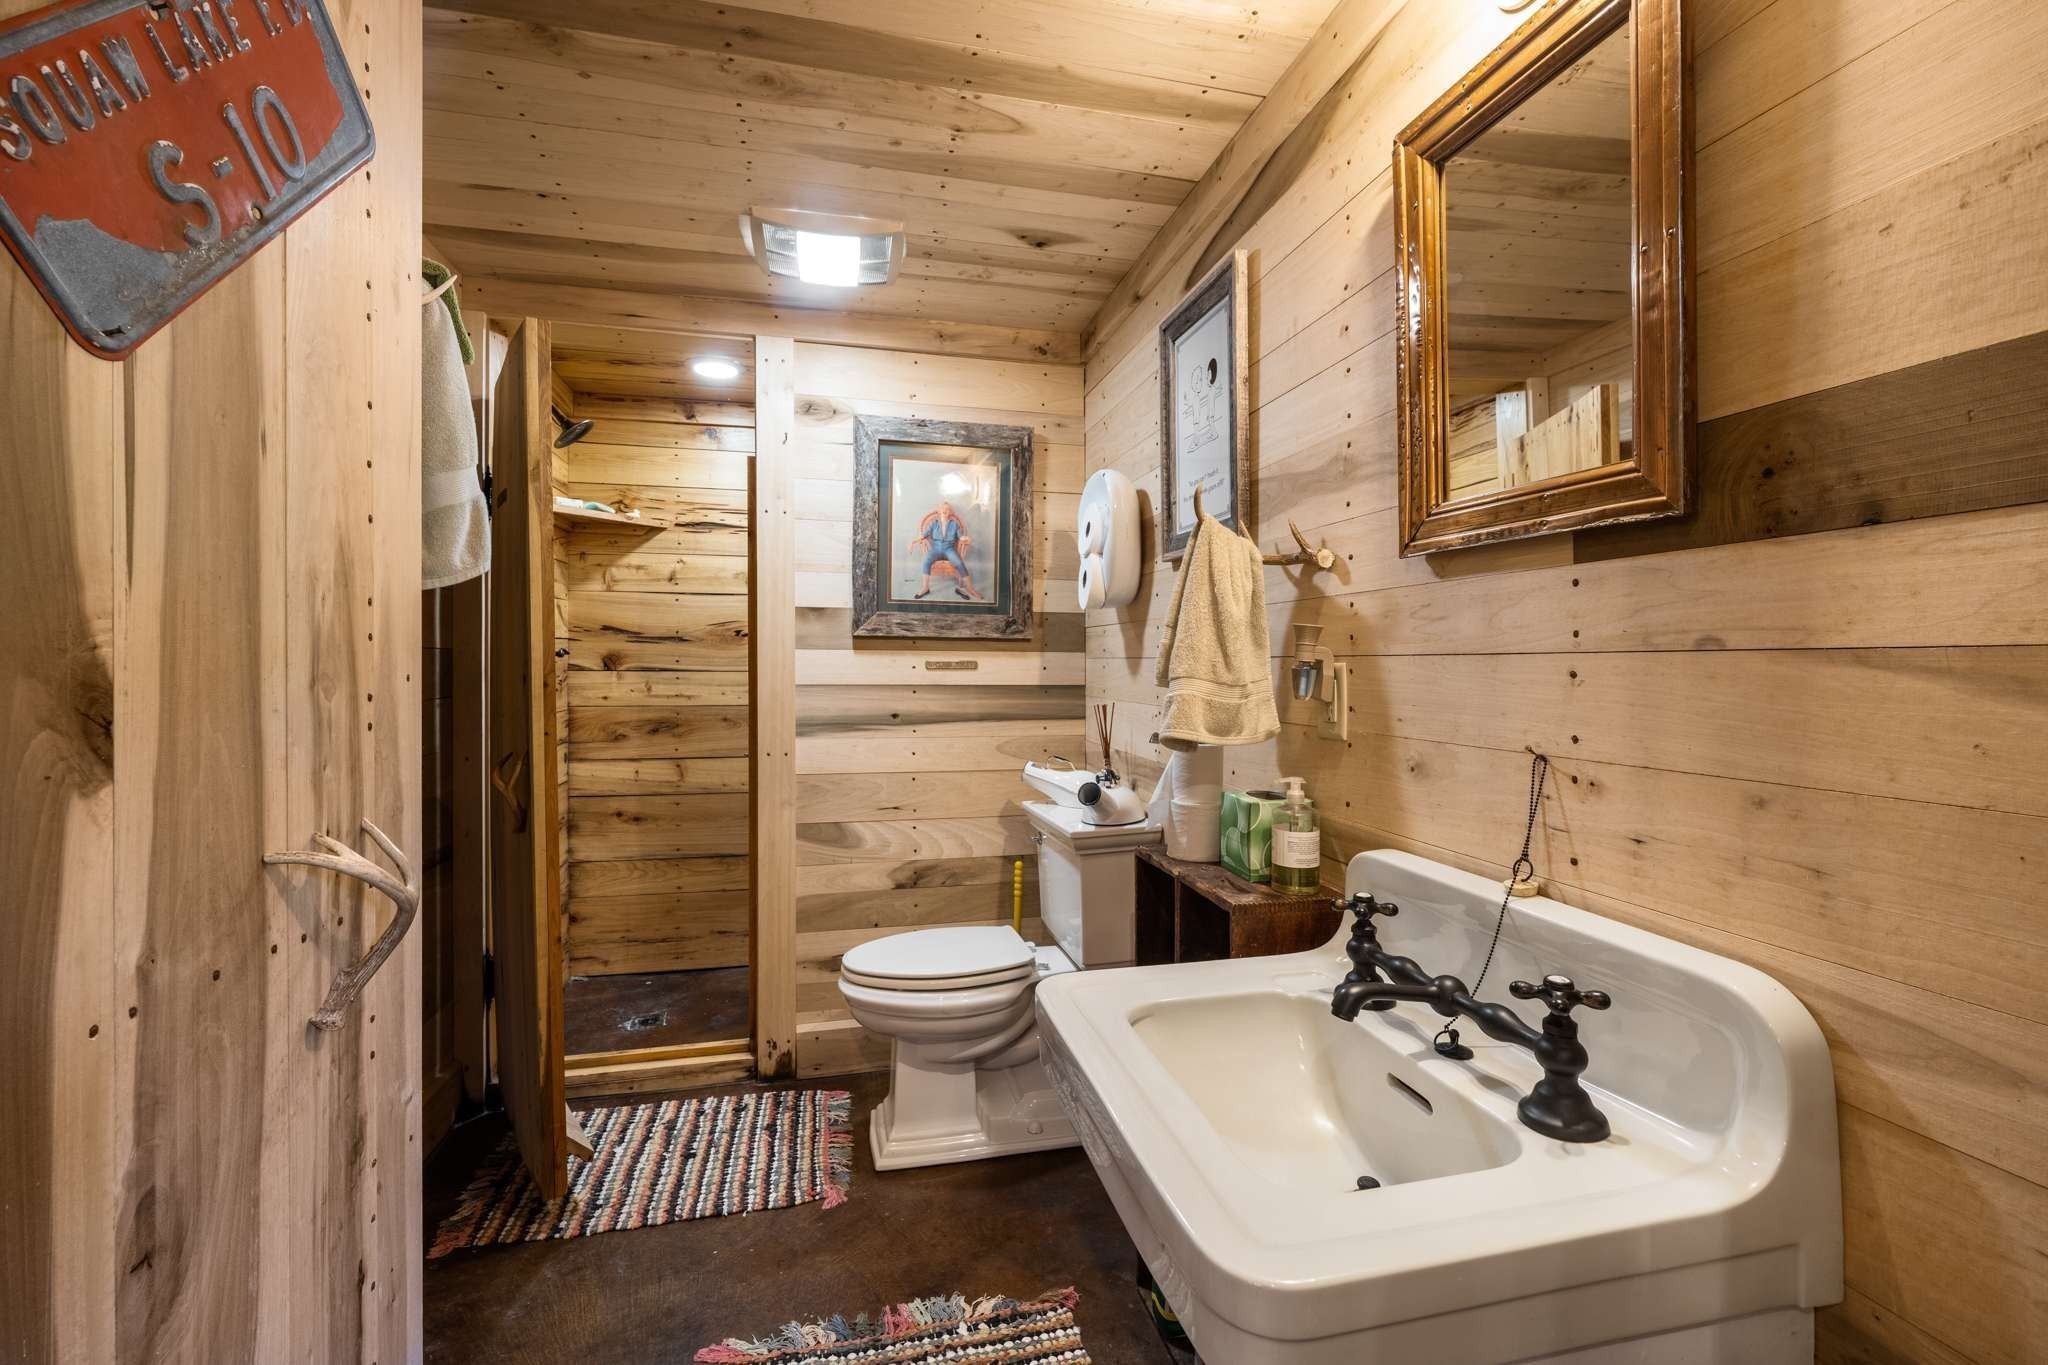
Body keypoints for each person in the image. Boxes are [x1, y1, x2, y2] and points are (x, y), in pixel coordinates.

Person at [909, 500, 982, 601]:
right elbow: (923, 535)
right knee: (926, 561)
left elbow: (960, 537)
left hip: (949, 549)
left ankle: (970, 588)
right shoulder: (934, 523)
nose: (945, 510)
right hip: (935, 548)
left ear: (950, 512)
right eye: (942, 508)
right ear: (939, 511)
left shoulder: (954, 524)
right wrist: (913, 542)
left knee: (959, 563)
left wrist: (966, 538)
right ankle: (925, 588)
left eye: (947, 509)